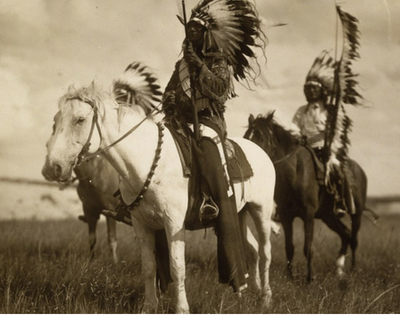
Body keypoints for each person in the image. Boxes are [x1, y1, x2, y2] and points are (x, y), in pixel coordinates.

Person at [162, 0, 267, 293]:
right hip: (181, 122)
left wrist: (201, 70)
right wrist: (169, 101)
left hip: (208, 123)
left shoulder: (218, 61)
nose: (191, 34)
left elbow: (220, 91)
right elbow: (170, 91)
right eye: (189, 30)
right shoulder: (181, 64)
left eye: (196, 30)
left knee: (208, 155)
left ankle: (214, 202)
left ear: (206, 33)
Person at [291, 51, 355, 216]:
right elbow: (294, 127)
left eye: (314, 88)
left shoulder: (331, 111)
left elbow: (338, 132)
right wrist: (298, 136)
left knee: (336, 170)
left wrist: (330, 146)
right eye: (308, 88)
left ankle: (339, 201)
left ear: (321, 91)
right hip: (304, 149)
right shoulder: (301, 111)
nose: (311, 91)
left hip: (325, 151)